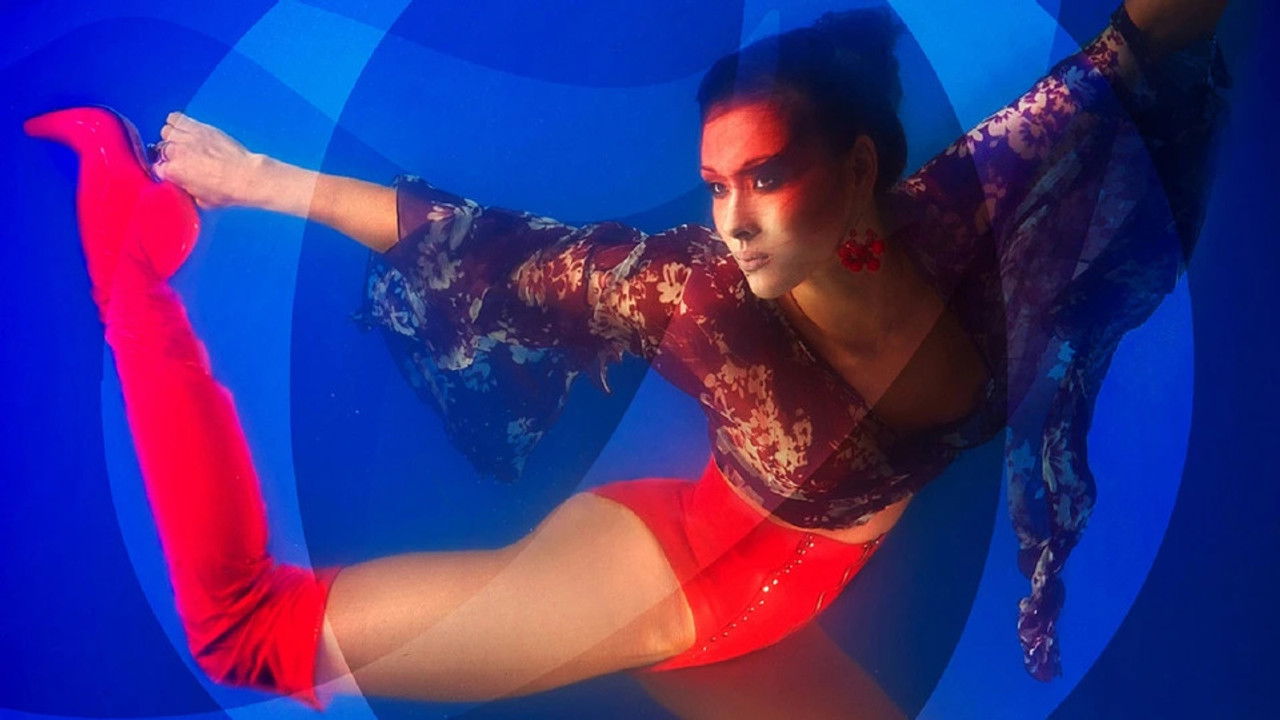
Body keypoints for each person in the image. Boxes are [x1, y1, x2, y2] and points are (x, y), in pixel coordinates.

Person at [29, 0, 1230, 715]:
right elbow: (480, 241)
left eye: (766, 177)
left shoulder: (974, 211)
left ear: (861, 168)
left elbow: (1144, 41)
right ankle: (135, 265)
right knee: (246, 632)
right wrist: (252, 177)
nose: (733, 220)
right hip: (672, 572)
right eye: (714, 185)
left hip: (799, 601)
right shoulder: (694, 295)